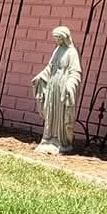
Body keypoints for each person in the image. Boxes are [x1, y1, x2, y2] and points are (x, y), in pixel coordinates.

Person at [33, 25, 82, 154]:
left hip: (62, 87)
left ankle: (61, 141)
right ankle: (48, 139)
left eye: (59, 38)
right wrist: (40, 76)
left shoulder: (72, 52)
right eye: (56, 38)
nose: (58, 41)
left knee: (60, 114)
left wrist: (70, 85)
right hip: (52, 87)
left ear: (65, 37)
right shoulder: (57, 50)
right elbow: (50, 68)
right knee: (51, 112)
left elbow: (75, 72)